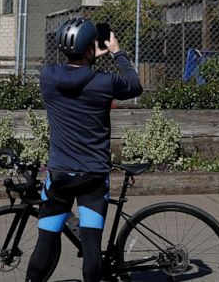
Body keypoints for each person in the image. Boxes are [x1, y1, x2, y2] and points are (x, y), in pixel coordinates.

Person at [26, 17, 143, 282]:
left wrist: (88, 55)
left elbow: (72, 74)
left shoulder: (47, 77)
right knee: (91, 248)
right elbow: (135, 86)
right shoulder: (104, 82)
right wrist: (116, 53)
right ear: (91, 48)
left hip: (60, 176)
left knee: (45, 241)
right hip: (93, 176)